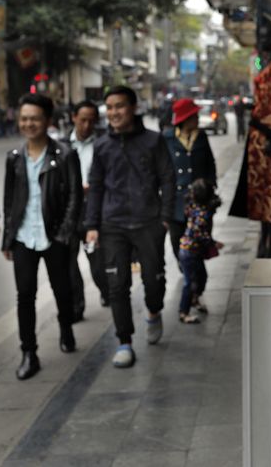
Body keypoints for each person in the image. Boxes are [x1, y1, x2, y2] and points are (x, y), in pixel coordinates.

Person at [84, 85, 176, 368]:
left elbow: (168, 179)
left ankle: (154, 311)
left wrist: (164, 218)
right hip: (113, 225)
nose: (114, 113)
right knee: (117, 286)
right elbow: (96, 187)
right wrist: (92, 225)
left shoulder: (153, 140)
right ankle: (124, 341)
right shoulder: (101, 145)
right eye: (109, 108)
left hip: (148, 222)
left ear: (134, 108)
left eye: (119, 106)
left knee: (153, 279)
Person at [2, 94, 83, 380]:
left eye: (34, 118)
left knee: (62, 289)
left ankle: (66, 327)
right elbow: (10, 201)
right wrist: (7, 240)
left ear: (47, 121)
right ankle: (29, 352)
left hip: (54, 236)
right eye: (24, 118)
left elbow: (75, 197)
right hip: (24, 237)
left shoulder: (64, 155)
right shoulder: (14, 159)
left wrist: (65, 234)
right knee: (25, 295)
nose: (28, 124)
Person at [67, 100, 110, 319]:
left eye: (91, 121)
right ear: (74, 117)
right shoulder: (64, 146)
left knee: (97, 261)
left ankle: (106, 291)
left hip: (94, 210)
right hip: (69, 212)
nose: (86, 125)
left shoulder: (103, 144)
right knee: (69, 263)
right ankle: (77, 306)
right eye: (82, 120)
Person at [163, 98, 217, 264]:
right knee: (177, 243)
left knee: (200, 242)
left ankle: (195, 279)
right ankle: (187, 271)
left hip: (200, 201)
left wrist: (210, 186)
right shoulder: (167, 138)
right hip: (177, 201)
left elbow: (210, 163)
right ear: (186, 119)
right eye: (195, 116)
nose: (198, 119)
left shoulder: (201, 137)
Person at [177, 179, 223, 323]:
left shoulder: (192, 206)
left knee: (201, 277)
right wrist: (214, 243)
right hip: (189, 252)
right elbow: (199, 234)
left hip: (191, 251)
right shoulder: (202, 214)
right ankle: (183, 312)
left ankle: (195, 299)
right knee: (189, 282)